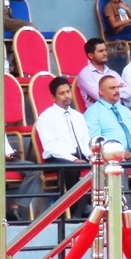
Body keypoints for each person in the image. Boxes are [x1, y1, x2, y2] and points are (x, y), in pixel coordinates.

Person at [35, 75, 92, 203]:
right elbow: (50, 148)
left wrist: (92, 157)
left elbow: (85, 142)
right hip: (56, 159)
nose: (67, 96)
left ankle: (102, 208)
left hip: (79, 157)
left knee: (102, 164)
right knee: (71, 168)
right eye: (62, 93)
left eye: (68, 91)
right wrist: (73, 160)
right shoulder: (46, 117)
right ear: (53, 97)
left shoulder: (78, 116)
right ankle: (76, 210)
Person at [85, 75, 131, 162]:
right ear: (101, 91)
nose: (117, 90)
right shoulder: (93, 112)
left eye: (118, 87)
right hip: (111, 156)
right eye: (112, 88)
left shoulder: (125, 110)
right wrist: (118, 152)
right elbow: (95, 143)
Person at [76, 37, 131, 108]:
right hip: (99, 113)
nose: (105, 53)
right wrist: (118, 89)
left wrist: (109, 92)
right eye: (101, 51)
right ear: (90, 55)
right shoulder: (85, 74)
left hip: (119, 110)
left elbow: (130, 92)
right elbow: (101, 96)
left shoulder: (112, 73)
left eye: (105, 50)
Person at [4, 135, 43, 222]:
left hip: (6, 160)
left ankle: (16, 206)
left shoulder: (0, 129)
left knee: (33, 169)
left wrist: (10, 153)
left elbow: (5, 146)